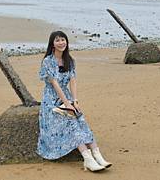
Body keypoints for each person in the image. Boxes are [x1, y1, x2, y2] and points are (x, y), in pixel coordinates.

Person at [36, 30, 112, 172]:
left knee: (81, 120)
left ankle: (97, 154)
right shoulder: (47, 61)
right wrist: (67, 103)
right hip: (51, 101)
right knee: (71, 121)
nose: (61, 42)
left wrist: (74, 100)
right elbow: (55, 84)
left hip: (66, 97)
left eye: (63, 39)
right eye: (57, 40)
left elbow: (73, 81)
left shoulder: (70, 60)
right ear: (52, 44)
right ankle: (87, 158)